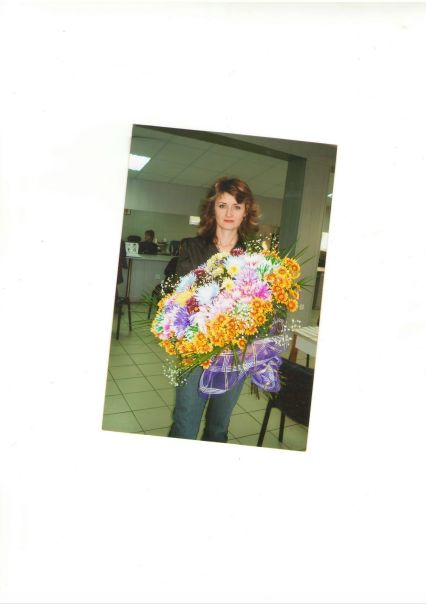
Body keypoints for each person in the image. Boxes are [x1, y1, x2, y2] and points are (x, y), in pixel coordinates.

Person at [169, 177, 259, 443]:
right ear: (212, 209)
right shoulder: (192, 247)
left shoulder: (254, 256)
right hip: (197, 350)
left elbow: (260, 307)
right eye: (222, 205)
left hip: (235, 355)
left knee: (218, 428)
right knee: (184, 425)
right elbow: (181, 301)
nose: (229, 213)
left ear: (245, 212)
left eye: (236, 206)